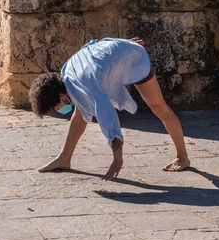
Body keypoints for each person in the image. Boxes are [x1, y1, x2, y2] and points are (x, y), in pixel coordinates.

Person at [28, 37, 191, 181]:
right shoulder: (67, 72)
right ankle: (65, 157)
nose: (58, 110)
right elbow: (92, 49)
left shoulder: (86, 84)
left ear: (61, 95)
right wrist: (121, 46)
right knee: (81, 109)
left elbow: (108, 117)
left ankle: (183, 157)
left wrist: (117, 158)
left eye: (56, 107)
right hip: (121, 54)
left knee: (158, 107)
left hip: (135, 59)